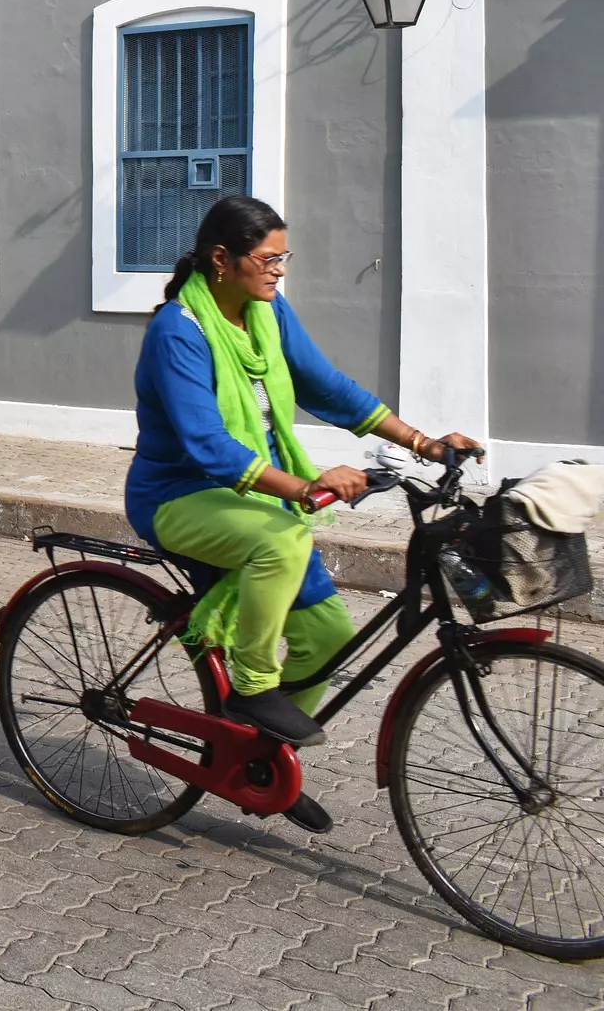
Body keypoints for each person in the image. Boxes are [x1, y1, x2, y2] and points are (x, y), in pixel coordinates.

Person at [126, 193, 481, 833]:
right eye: (268, 258)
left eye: (284, 257)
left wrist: (423, 444)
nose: (280, 270)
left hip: (252, 495)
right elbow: (207, 444)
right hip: (177, 496)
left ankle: (252, 755)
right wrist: (303, 487)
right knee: (283, 543)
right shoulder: (178, 331)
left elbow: (327, 388)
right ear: (221, 260)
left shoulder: (268, 313)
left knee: (327, 638)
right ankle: (253, 687)